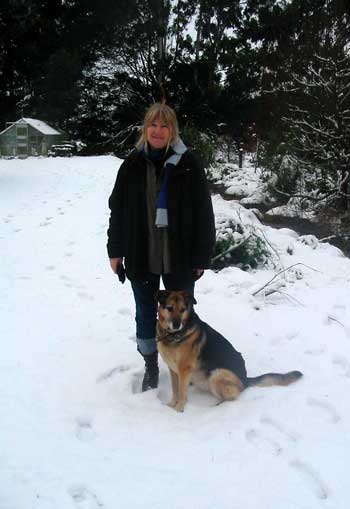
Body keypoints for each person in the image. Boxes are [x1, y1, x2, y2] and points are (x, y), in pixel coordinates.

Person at [107, 102, 216, 391]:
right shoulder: (131, 165)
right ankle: (151, 366)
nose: (157, 131)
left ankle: (184, 362)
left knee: (182, 314)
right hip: (141, 254)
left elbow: (204, 212)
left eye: (164, 125)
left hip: (179, 256)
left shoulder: (189, 164)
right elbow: (117, 211)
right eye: (152, 125)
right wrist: (115, 251)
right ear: (145, 128)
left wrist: (202, 255)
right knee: (145, 313)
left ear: (172, 130)